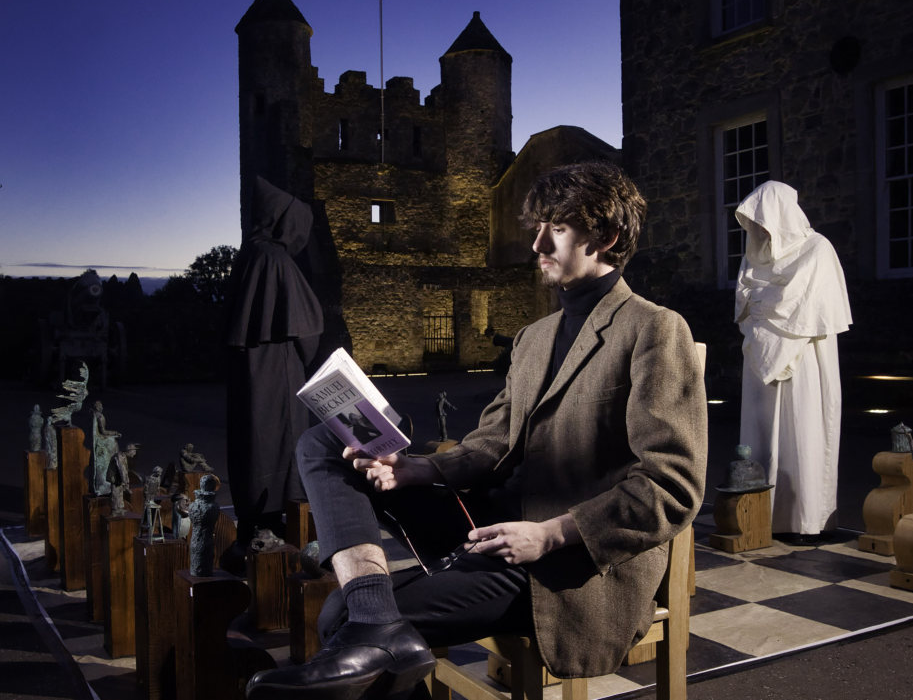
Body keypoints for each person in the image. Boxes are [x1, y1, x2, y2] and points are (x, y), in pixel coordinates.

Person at [246, 162, 708, 699]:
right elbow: (491, 442)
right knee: (325, 441)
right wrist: (418, 469)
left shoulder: (654, 328)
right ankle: (377, 621)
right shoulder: (535, 337)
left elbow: (674, 485)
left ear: (604, 237)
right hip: (484, 526)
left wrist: (551, 533)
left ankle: (373, 624)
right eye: (537, 226)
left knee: (339, 614)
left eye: (555, 228)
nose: (536, 242)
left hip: (564, 564)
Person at [735, 181, 852, 544]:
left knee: (804, 429)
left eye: (763, 222)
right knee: (761, 436)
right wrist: (765, 301)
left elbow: (800, 305)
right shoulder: (755, 257)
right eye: (753, 223)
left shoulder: (817, 249)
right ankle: (760, 517)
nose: (758, 231)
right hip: (759, 357)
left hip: (805, 361)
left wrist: (763, 300)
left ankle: (806, 519)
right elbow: (745, 301)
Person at [226, 176, 324, 555]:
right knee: (278, 440)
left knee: (253, 440)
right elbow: (307, 329)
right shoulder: (275, 259)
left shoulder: (249, 253)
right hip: (276, 372)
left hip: (253, 371)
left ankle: (255, 519)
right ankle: (272, 521)